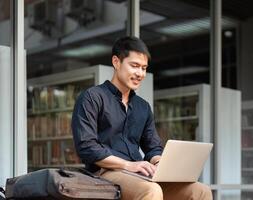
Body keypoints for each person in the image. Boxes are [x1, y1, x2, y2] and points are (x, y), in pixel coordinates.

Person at [71, 36, 213, 200]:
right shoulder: (92, 97)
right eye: (135, 66)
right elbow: (87, 147)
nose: (140, 73)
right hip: (104, 172)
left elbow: (152, 147)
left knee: (201, 191)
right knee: (151, 190)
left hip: (139, 173)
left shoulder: (143, 107)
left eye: (144, 68)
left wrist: (160, 164)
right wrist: (129, 165)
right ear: (116, 62)